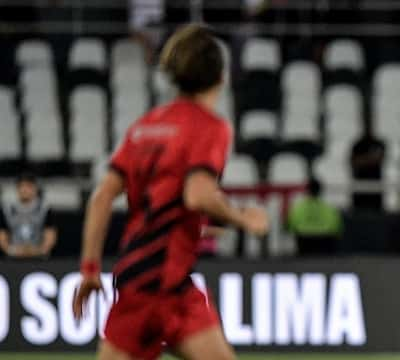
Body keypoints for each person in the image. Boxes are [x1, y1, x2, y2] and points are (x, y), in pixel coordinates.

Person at [72, 24, 269, 360]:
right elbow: (198, 194)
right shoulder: (211, 126)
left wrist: (90, 269)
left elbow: (103, 197)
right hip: (164, 282)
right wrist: (244, 219)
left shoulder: (145, 127)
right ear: (221, 76)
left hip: (144, 285)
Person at [0, 173, 57, 258]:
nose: (25, 190)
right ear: (17, 188)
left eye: (28, 186)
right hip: (13, 257)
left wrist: (39, 251)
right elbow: (2, 236)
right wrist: (12, 251)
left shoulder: (45, 209)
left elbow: (50, 237)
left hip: (39, 257)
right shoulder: (7, 209)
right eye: (21, 186)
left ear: (35, 188)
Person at [287, 178, 342, 255]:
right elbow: (337, 228)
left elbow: (290, 226)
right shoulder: (329, 208)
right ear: (320, 191)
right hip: (324, 243)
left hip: (305, 242)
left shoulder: (298, 208)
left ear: (307, 190)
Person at [350, 126, 385, 210]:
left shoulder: (379, 144)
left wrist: (363, 159)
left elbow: (380, 159)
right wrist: (371, 159)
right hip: (360, 191)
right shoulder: (357, 145)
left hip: (376, 191)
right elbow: (354, 161)